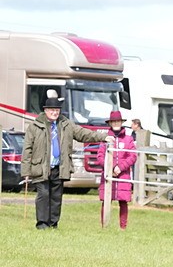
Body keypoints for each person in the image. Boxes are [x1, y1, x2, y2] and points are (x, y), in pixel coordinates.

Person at [20, 91, 111, 230]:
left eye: (57, 110)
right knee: (43, 195)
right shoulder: (35, 126)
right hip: (41, 166)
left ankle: (53, 223)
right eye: (52, 110)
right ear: (45, 110)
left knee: (56, 197)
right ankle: (42, 224)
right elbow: (27, 150)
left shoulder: (66, 124)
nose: (55, 113)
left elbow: (83, 134)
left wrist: (103, 137)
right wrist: (26, 171)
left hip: (59, 166)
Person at [99, 110, 137, 230]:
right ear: (110, 123)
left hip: (123, 175)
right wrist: (109, 168)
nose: (116, 123)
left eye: (118, 121)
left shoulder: (128, 139)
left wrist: (120, 167)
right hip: (108, 175)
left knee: (123, 202)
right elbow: (100, 156)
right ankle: (104, 226)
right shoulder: (105, 139)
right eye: (113, 121)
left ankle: (123, 227)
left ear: (121, 122)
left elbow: (133, 156)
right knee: (106, 201)